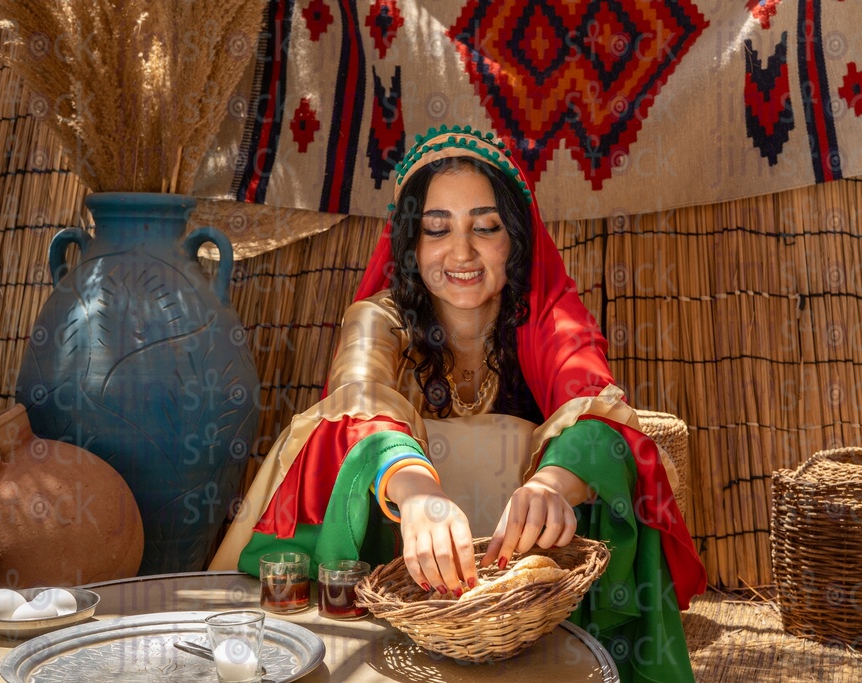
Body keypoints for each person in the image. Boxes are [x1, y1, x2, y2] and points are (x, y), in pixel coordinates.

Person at [211, 125, 706, 681]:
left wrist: (554, 486)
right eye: (436, 229)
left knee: (606, 448)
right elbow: (358, 406)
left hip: (525, 578)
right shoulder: (379, 319)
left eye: (486, 228)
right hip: (395, 559)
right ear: (410, 243)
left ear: (515, 238)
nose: (462, 252)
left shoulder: (549, 319)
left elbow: (596, 407)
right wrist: (420, 493)